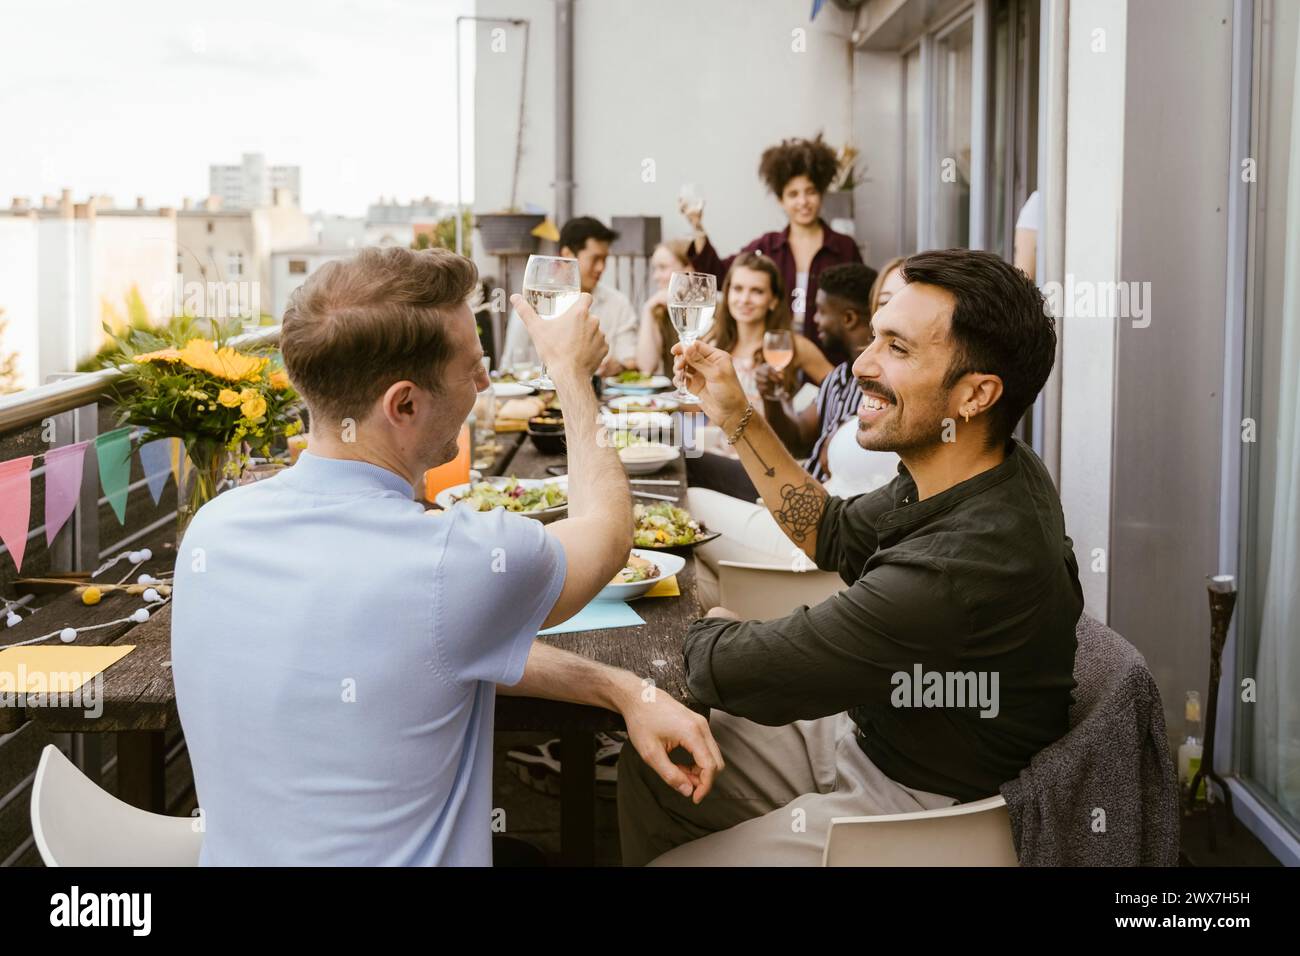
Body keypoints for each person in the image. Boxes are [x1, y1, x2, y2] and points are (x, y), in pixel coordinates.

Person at [172, 246, 721, 866]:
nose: (486, 383)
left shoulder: (211, 531)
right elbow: (606, 529)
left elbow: (430, 644)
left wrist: (623, 689)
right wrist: (570, 373)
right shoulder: (454, 560)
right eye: (474, 367)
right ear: (403, 404)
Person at [619, 248, 1082, 866]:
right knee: (662, 754)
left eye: (897, 348)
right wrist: (734, 412)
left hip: (921, 809)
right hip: (867, 733)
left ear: (976, 395)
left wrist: (672, 627)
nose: (861, 364)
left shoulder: (962, 566)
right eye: (875, 338)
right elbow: (828, 531)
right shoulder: (973, 467)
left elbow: (750, 671)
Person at [686, 260, 903, 609]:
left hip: (818, 539)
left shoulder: (903, 400)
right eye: (884, 301)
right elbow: (800, 437)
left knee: (687, 499)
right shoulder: (844, 376)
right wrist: (774, 399)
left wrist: (738, 415)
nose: (815, 320)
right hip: (807, 509)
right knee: (693, 584)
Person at [681, 133, 863, 362]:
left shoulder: (844, 248)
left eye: (811, 192)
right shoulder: (767, 246)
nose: (803, 202)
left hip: (831, 359)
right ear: (781, 200)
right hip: (774, 358)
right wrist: (697, 226)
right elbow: (719, 274)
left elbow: (862, 307)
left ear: (821, 194)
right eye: (793, 194)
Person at [684, 251, 832, 502]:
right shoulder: (714, 343)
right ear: (727, 293)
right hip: (719, 450)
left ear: (773, 300)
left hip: (764, 462)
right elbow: (698, 405)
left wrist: (821, 429)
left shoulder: (791, 346)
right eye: (738, 289)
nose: (744, 299)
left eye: (757, 291)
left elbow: (839, 386)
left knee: (680, 462)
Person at [501, 216, 639, 377]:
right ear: (567, 255)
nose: (601, 267)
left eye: (604, 259)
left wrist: (617, 366)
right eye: (595, 259)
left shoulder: (618, 303)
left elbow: (631, 362)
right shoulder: (535, 301)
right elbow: (509, 367)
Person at [636, 238, 692, 375]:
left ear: (688, 269)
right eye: (655, 268)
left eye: (663, 267)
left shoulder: (715, 312)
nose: (655, 276)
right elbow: (646, 367)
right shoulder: (661, 310)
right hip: (673, 394)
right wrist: (648, 310)